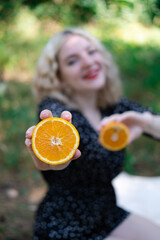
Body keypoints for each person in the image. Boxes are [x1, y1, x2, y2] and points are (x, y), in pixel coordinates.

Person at [25, 28, 160, 240]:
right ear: (59, 77)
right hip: (65, 224)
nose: (88, 62)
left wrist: (147, 122)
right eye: (72, 61)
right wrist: (50, 161)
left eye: (91, 52)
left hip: (107, 212)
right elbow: (55, 155)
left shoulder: (112, 107)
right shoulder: (57, 111)